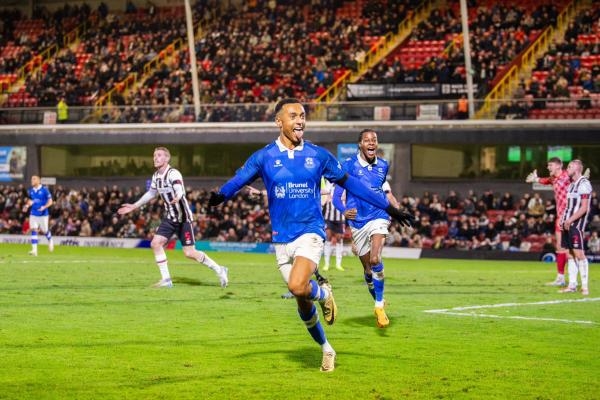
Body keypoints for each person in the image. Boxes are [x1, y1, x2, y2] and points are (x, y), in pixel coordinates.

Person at [207, 98, 414, 372]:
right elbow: (239, 178)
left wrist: (389, 208)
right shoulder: (264, 157)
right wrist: (221, 195)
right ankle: (327, 348)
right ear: (279, 122)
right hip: (282, 239)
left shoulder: (318, 156)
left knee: (296, 285)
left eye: (303, 115)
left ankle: (324, 291)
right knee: (303, 303)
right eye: (293, 115)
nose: (300, 120)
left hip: (310, 232)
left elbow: (354, 185)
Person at [118, 146, 228, 288]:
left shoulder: (173, 173)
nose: (155, 158)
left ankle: (220, 270)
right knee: (155, 243)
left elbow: (179, 189)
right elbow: (151, 193)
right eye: (154, 155)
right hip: (170, 217)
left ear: (167, 158)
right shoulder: (156, 176)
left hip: (183, 218)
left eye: (158, 155)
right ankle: (167, 280)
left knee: (189, 253)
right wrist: (134, 205)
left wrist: (178, 196)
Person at [331, 129, 399, 329]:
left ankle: (379, 306)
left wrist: (393, 209)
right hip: (358, 222)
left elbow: (381, 192)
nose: (371, 143)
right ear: (359, 144)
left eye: (374, 140)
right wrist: (344, 210)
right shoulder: (348, 166)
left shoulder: (383, 165)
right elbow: (336, 196)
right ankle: (377, 298)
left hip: (378, 216)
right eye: (367, 140)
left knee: (376, 259)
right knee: (368, 270)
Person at [526, 157, 571, 286]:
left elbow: (578, 178)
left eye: (550, 165)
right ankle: (561, 278)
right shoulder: (554, 178)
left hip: (572, 216)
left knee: (573, 251)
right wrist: (535, 179)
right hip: (560, 216)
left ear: (559, 166)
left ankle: (577, 279)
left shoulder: (568, 175)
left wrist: (583, 177)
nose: (548, 167)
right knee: (560, 247)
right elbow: (546, 181)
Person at [558, 159, 592, 295]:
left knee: (579, 254)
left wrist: (570, 220)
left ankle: (585, 286)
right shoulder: (572, 185)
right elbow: (568, 206)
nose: (567, 169)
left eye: (570, 166)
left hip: (576, 224)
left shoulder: (584, 184)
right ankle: (572, 285)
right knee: (570, 255)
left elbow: (584, 207)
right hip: (567, 223)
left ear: (577, 169)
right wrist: (563, 219)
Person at [23, 175, 54, 256]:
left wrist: (44, 207)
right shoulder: (31, 191)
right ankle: (34, 250)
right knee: (34, 230)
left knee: (45, 230)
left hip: (43, 214)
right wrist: (26, 206)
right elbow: (31, 201)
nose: (32, 180)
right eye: (31, 179)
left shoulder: (44, 190)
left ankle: (50, 240)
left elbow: (50, 202)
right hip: (33, 213)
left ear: (39, 180)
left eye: (34, 179)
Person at [321, 178, 345, 272]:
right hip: (328, 216)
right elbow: (325, 197)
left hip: (340, 217)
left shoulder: (344, 184)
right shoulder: (328, 183)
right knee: (328, 238)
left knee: (339, 239)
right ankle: (326, 264)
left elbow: (346, 198)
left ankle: (338, 264)